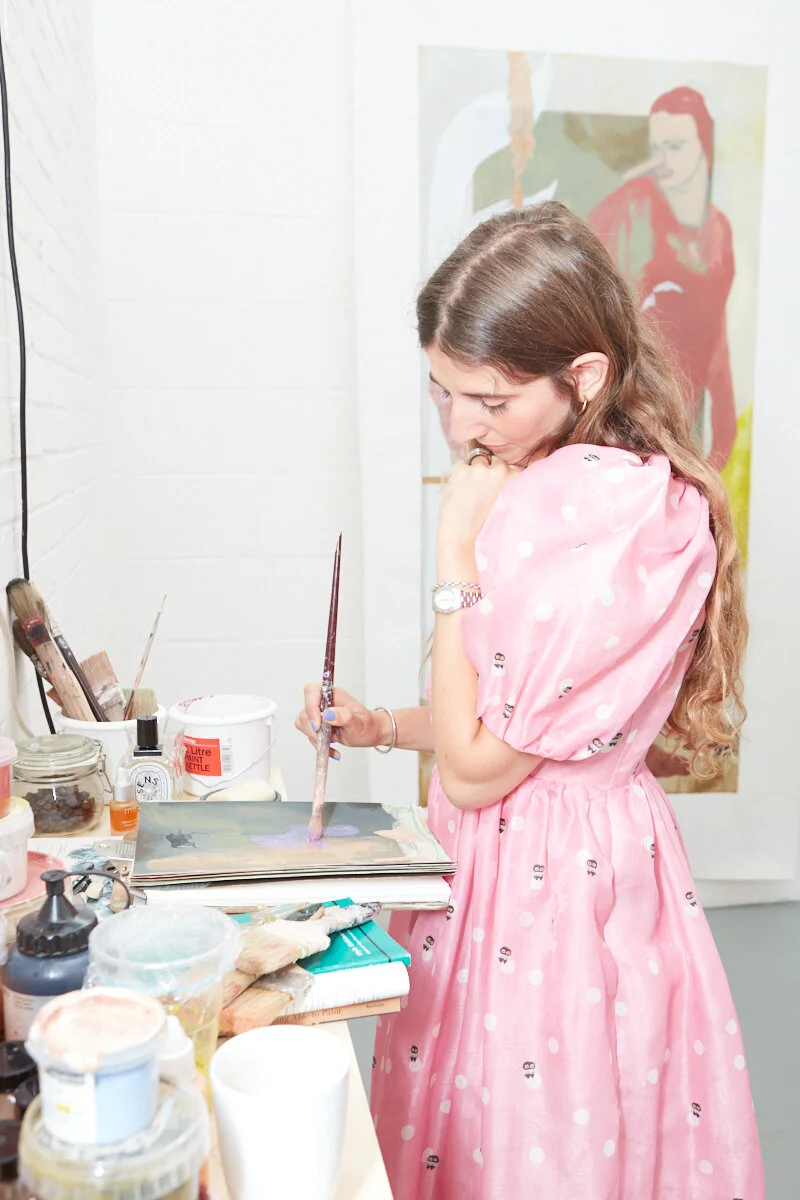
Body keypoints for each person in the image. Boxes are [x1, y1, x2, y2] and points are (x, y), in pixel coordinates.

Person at [296, 202, 763, 1198]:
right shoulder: (555, 480)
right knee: (500, 1127)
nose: (461, 427)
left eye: (491, 399)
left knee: (531, 1141)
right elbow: (505, 724)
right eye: (443, 391)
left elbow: (474, 772)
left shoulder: (610, 516)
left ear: (582, 377)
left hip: (553, 887)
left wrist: (452, 554)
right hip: (522, 867)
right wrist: (382, 728)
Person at [589, 87, 737, 471]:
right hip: (625, 422)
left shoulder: (719, 231)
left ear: (703, 147)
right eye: (656, 148)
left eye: (675, 146)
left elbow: (717, 332)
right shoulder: (630, 210)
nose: (662, 160)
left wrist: (725, 428)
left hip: (686, 413)